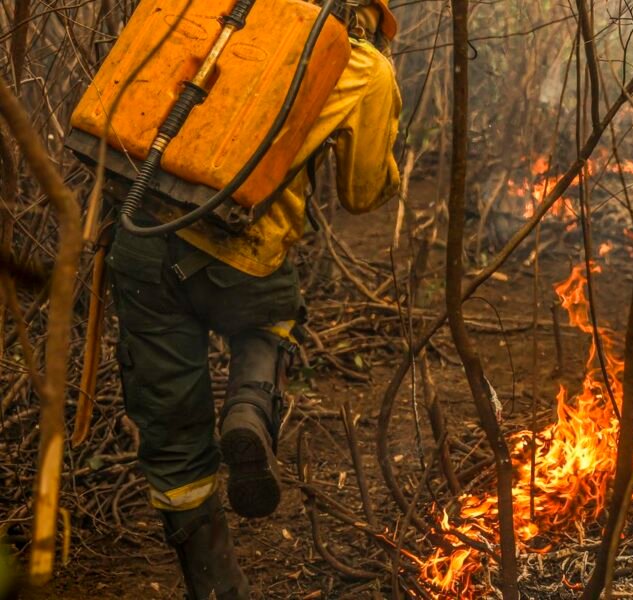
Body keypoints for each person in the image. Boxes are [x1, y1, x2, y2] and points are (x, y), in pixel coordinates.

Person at [103, 2, 401, 597]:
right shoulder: (361, 64)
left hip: (143, 242)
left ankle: (216, 584)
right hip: (243, 255)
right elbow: (363, 192)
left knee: (169, 423)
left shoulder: (203, 9)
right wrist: (389, 160)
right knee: (273, 314)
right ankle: (248, 403)